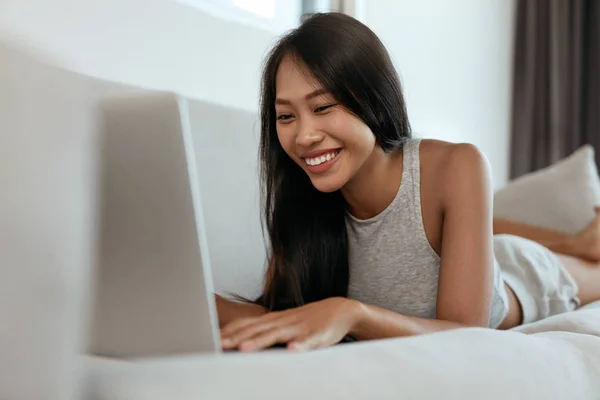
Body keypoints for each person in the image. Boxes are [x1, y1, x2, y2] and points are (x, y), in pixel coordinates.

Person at [215, 12, 600, 352]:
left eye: (322, 107)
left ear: (375, 103)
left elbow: (467, 335)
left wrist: (353, 314)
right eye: (286, 117)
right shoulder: (302, 193)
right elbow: (279, 315)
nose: (304, 136)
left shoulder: (457, 165)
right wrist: (196, 300)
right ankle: (577, 240)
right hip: (477, 252)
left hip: (527, 275)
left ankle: (577, 243)